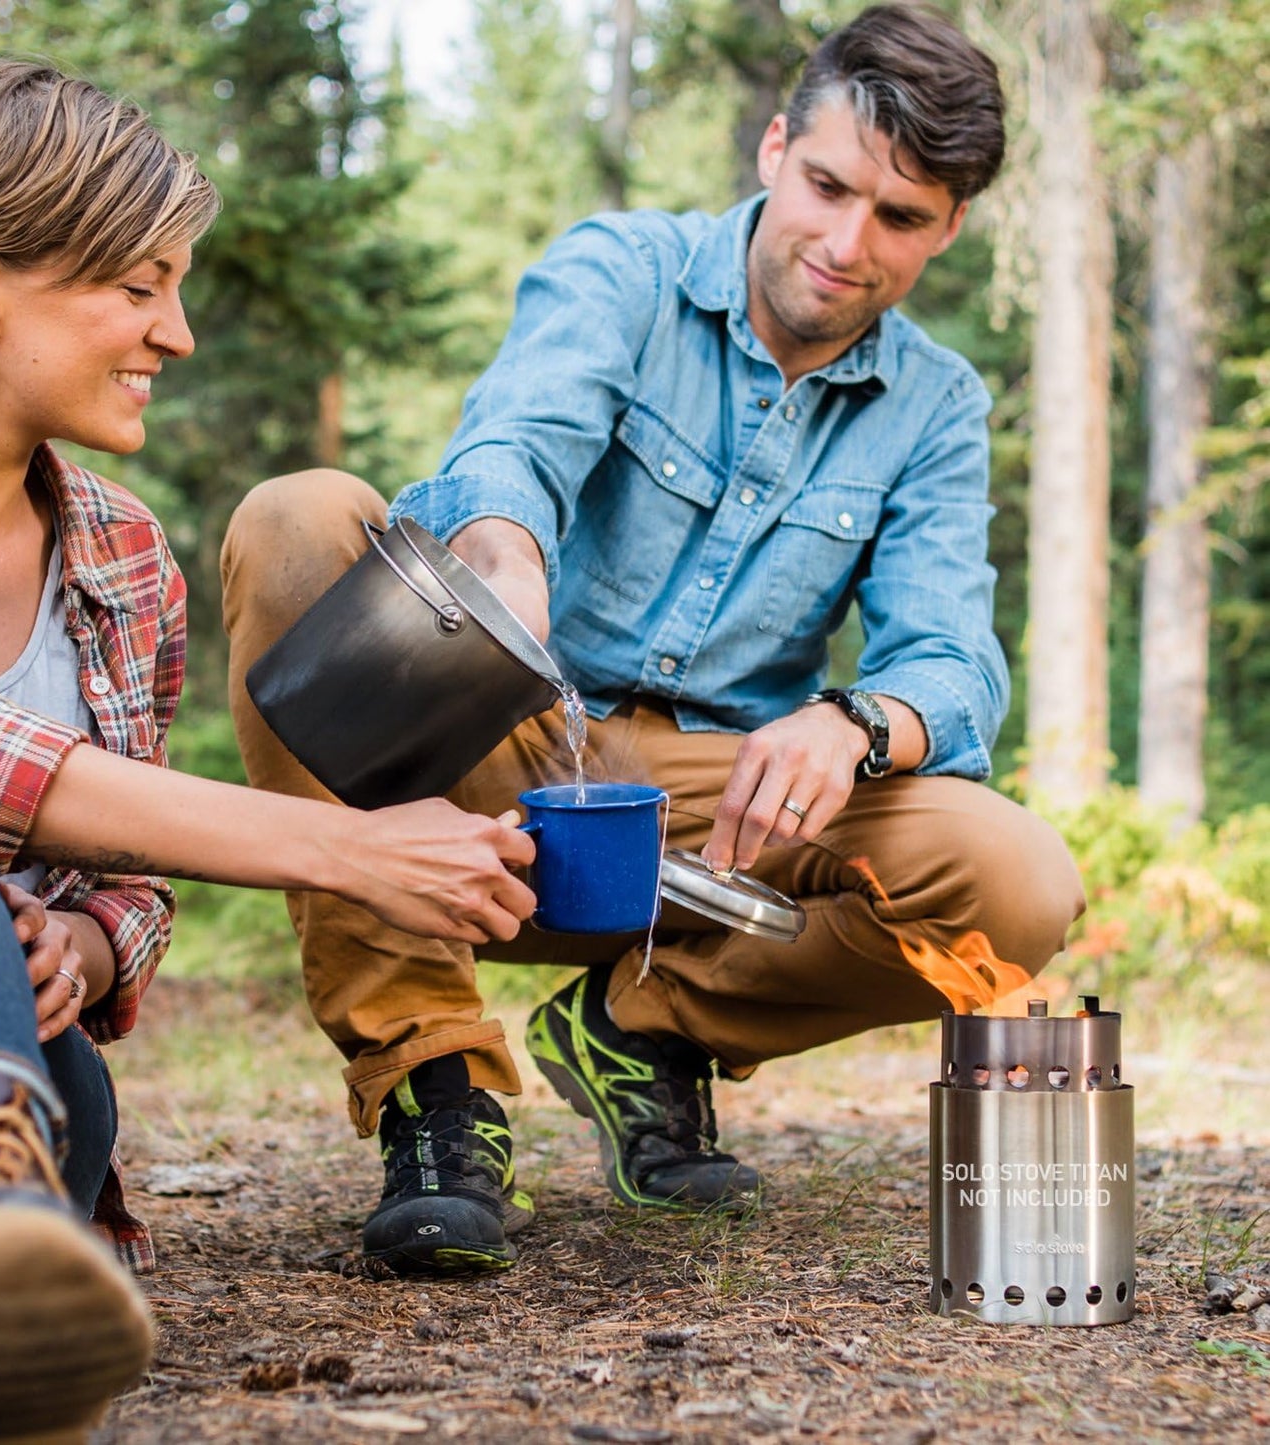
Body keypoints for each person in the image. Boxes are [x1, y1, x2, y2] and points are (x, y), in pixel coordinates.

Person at [220, 3, 1086, 1279]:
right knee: (296, 520)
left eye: (898, 217)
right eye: (827, 186)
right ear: (774, 145)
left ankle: (642, 1028)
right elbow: (518, 435)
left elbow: (950, 654)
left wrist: (852, 724)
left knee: (1013, 874)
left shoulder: (937, 407)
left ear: (947, 226)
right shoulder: (621, 269)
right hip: (490, 750)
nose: (847, 245)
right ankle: (434, 1084)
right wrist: (506, 542)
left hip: (710, 814)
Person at [0, 56, 535, 1439]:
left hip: (8, 1107)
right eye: (139, 288)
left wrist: (84, 947)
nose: (179, 332)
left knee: (62, 1093)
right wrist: (347, 845)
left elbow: (129, 886)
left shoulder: (125, 553)